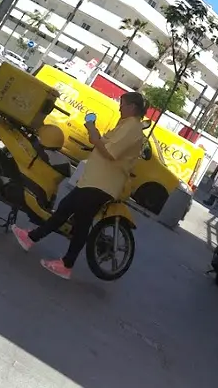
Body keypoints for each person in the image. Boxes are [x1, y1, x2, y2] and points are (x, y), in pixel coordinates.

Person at [12, 91, 148, 279]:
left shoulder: (131, 127)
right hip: (95, 180)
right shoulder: (125, 125)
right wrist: (93, 131)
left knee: (79, 220)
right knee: (68, 211)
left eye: (122, 104)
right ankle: (32, 239)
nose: (119, 108)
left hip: (102, 183)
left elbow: (109, 152)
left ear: (132, 107)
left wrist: (93, 131)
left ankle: (63, 262)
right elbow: (102, 143)